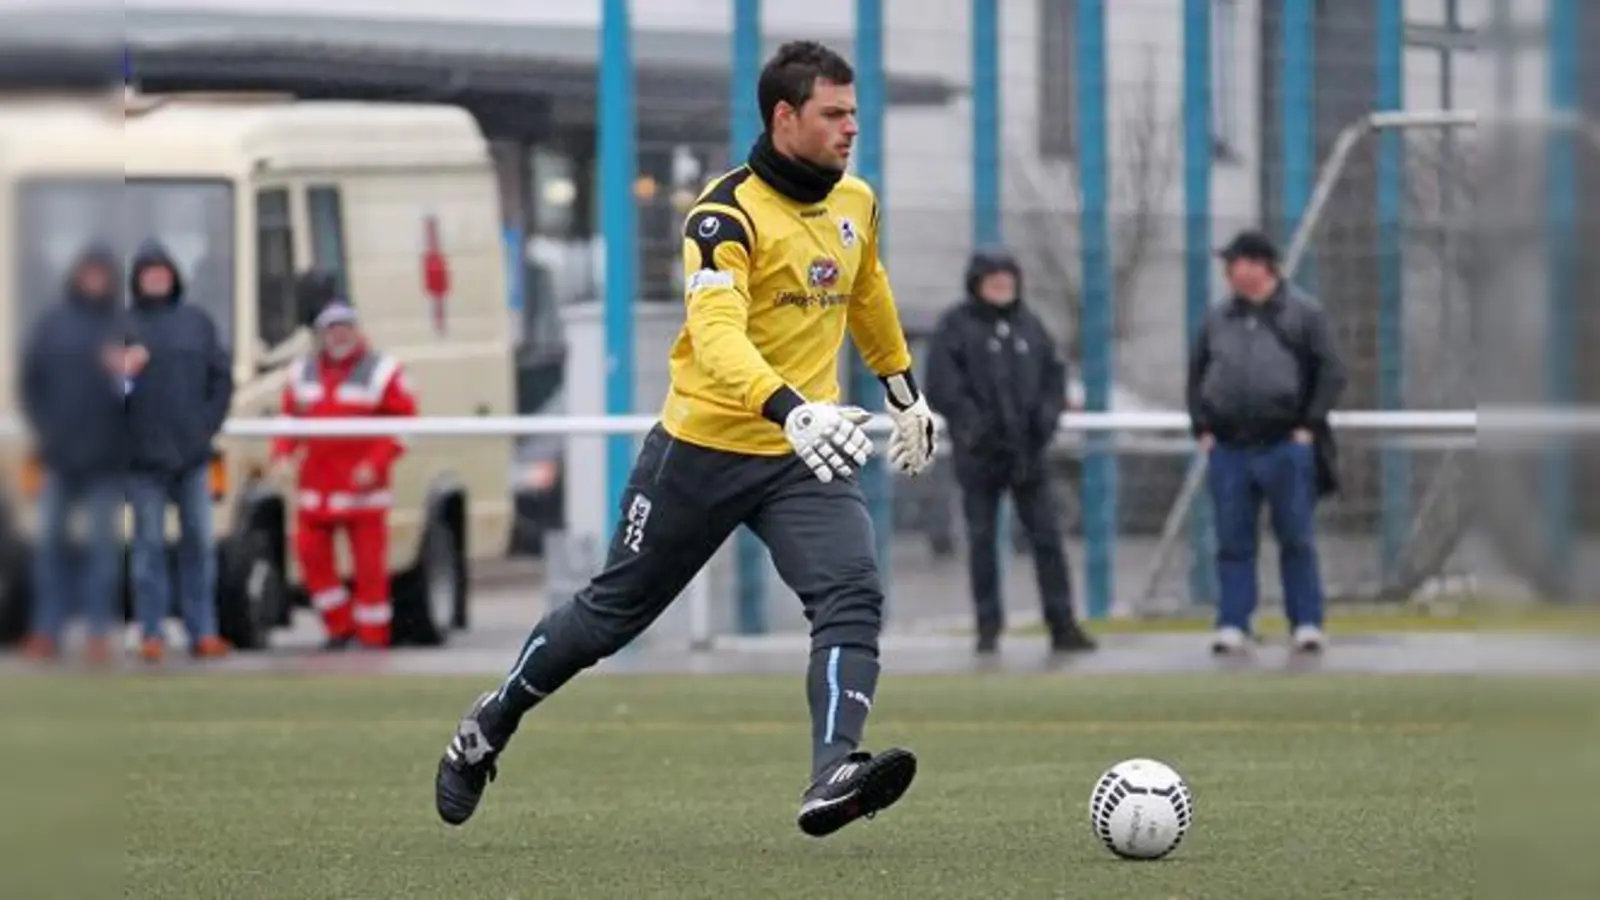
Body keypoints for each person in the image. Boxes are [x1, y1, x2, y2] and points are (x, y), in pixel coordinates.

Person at [433, 40, 938, 839]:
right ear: (785, 116)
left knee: (852, 596)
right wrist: (789, 407)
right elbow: (715, 331)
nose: (851, 130)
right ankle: (490, 722)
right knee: (609, 618)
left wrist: (903, 390)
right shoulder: (721, 214)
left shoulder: (858, 202)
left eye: (854, 114)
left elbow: (866, 287)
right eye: (834, 114)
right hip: (703, 449)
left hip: (803, 458)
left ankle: (834, 771)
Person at [924, 247, 1096, 657]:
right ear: (977, 283)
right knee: (982, 542)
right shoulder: (956, 327)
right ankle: (988, 629)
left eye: (1008, 279)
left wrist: (1045, 422)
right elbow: (943, 386)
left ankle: (1062, 625)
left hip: (1029, 455)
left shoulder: (1029, 327)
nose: (1002, 286)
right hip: (980, 457)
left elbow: (1054, 380)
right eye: (993, 279)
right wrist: (975, 429)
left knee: (1047, 541)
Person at [1186, 230, 1348, 655]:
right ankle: (1234, 622)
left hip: (1285, 445)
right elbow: (1197, 374)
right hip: (1230, 447)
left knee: (1296, 536)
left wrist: (1308, 426)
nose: (1230, 272)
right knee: (1232, 540)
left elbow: (1331, 371)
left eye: (1236, 262)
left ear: (1262, 265)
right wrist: (1202, 426)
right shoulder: (1216, 319)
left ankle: (1307, 621)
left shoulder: (1304, 314)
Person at [269, 295, 418, 650]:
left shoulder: (382, 371)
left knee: (370, 572)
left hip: (363, 491)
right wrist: (282, 455)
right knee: (309, 555)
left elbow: (406, 426)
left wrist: (375, 465)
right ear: (321, 333)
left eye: (345, 327)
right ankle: (339, 627)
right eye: (332, 328)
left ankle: (372, 638)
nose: (339, 335)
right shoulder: (301, 372)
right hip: (316, 489)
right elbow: (289, 421)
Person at [17, 243, 130, 663]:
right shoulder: (52, 325)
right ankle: (47, 630)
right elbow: (31, 383)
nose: (95, 280)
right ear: (77, 276)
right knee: (49, 548)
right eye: (89, 273)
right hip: (59, 457)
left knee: (102, 552)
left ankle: (98, 634)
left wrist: (123, 379)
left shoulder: (122, 326)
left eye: (102, 273)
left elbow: (138, 393)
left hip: (105, 459)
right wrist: (46, 431)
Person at [125, 240, 234, 662]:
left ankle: (202, 631)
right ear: (138, 279)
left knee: (200, 546)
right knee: (148, 549)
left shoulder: (197, 323)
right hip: (141, 461)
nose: (156, 279)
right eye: (148, 272)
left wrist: (206, 427)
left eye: (162, 272)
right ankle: (151, 633)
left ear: (173, 277)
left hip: (192, 458)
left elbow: (221, 379)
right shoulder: (123, 325)